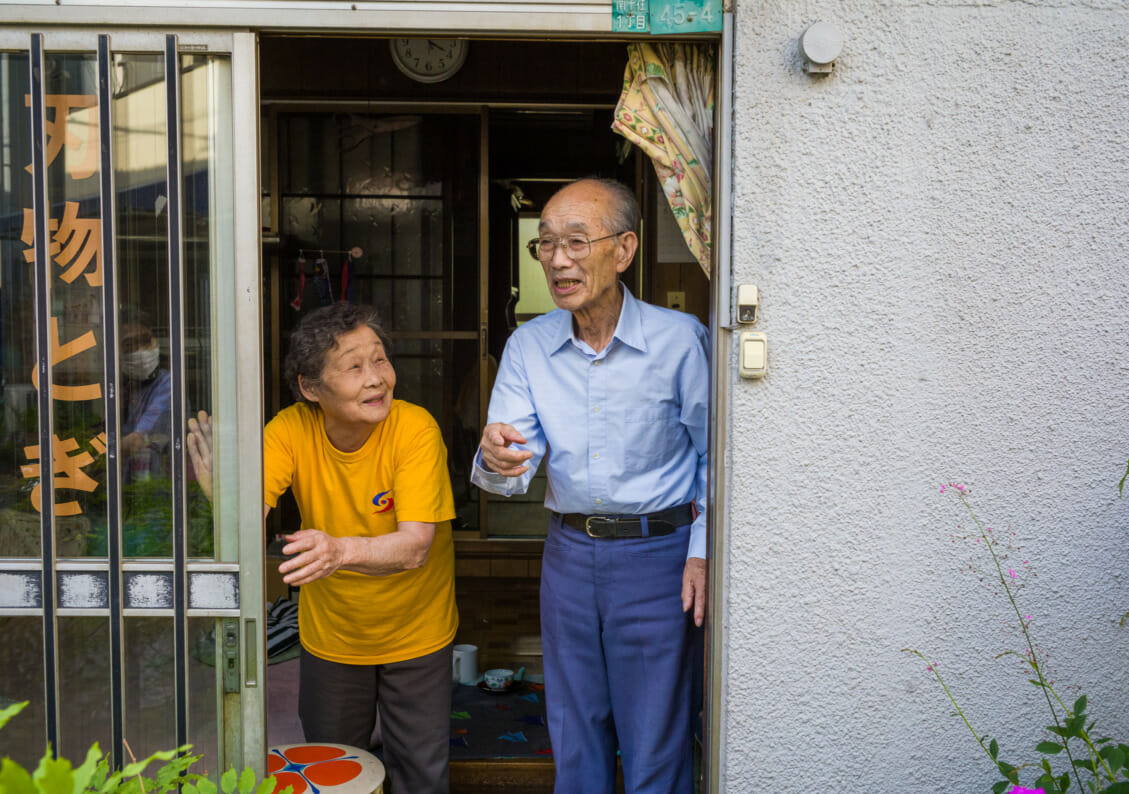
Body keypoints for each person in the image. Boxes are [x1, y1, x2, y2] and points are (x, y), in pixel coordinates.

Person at [471, 178, 709, 794]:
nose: (557, 259)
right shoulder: (528, 346)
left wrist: (703, 550)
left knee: (655, 735)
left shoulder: (680, 342)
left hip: (660, 555)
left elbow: (718, 461)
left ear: (624, 250)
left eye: (577, 241)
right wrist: (497, 458)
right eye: (545, 243)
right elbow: (511, 466)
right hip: (569, 554)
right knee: (574, 730)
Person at [188, 302, 457, 794]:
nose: (376, 378)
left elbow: (417, 545)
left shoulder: (415, 428)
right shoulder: (290, 429)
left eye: (380, 360)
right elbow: (250, 522)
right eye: (354, 367)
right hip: (333, 636)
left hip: (418, 631)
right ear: (312, 388)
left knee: (422, 775)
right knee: (333, 773)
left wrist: (339, 552)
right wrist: (223, 503)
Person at [119, 315, 171, 482]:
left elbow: (135, 442)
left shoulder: (168, 385)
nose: (140, 350)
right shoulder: (126, 389)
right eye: (129, 344)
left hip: (155, 489)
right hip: (126, 486)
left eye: (146, 341)